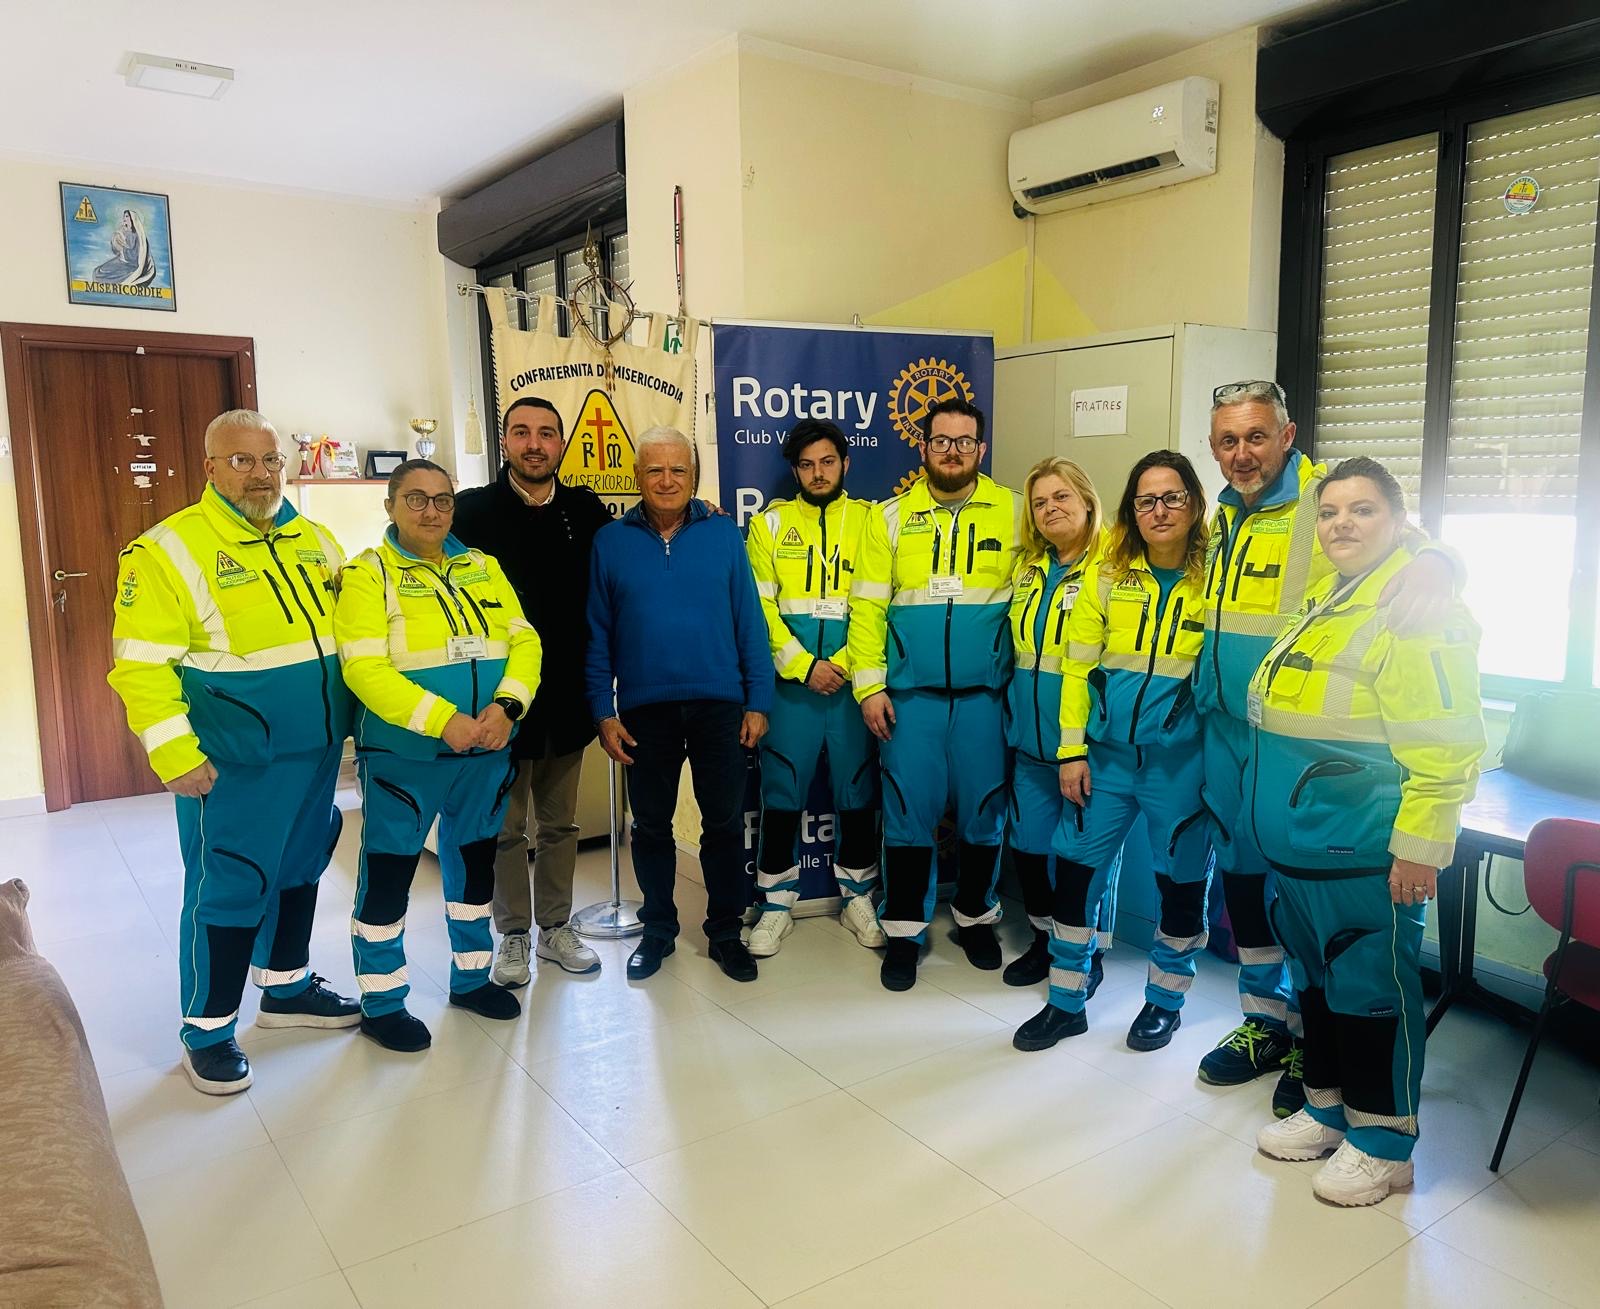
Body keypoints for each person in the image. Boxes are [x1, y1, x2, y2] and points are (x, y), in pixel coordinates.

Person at [1194, 380, 1458, 1117]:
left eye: (1255, 436)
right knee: (1246, 885)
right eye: (1226, 440)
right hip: (1228, 731)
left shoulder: (1323, 495)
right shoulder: (1225, 514)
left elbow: (1405, 531)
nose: (1241, 453)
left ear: (1287, 434)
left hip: (1298, 747)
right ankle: (1264, 1021)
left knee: (1303, 899)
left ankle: (1317, 1041)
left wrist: (1439, 563)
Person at [1247, 457, 1484, 1205]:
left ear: (1399, 519)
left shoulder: (1418, 606)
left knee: (1374, 993)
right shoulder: (1328, 593)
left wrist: (1421, 842)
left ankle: (1384, 1142)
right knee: (1317, 989)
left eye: (1363, 510)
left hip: (1362, 852)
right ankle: (1327, 1109)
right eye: (1330, 512)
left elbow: (1445, 740)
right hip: (1300, 850)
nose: (1342, 524)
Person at [108, 409, 359, 1095]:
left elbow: (350, 634)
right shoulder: (166, 551)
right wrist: (174, 754)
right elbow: (139, 667)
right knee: (230, 883)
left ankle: (285, 989)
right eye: (241, 460)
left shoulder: (313, 538)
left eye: (270, 459)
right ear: (210, 468)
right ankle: (209, 1030)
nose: (259, 474)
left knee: (303, 865)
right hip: (233, 760)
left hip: (315, 751)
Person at [334, 460, 542, 1051]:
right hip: (406, 757)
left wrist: (508, 708)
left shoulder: (482, 566)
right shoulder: (368, 575)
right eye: (417, 500)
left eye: (443, 500)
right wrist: (442, 721)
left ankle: (472, 979)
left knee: (474, 868)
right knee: (390, 877)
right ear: (392, 506)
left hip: (485, 750)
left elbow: (525, 641)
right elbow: (364, 668)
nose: (432, 512)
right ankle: (382, 1001)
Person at [1013, 452, 1213, 1052]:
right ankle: (1066, 1002)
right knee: (1074, 879)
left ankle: (1164, 1003)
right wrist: (1071, 749)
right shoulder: (1108, 571)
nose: (1159, 510)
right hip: (1104, 758)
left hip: (1181, 765)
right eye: (1146, 500)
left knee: (1181, 888)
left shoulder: (1220, 573)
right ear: (1130, 510)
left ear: (1195, 504)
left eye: (1172, 497)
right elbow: (1077, 668)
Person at [586, 427, 774, 982]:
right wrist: (603, 709)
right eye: (654, 471)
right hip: (646, 711)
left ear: (694, 477)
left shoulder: (722, 534)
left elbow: (750, 622)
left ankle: (724, 932)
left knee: (723, 825)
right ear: (637, 476)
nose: (667, 481)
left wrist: (757, 698)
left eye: (679, 471)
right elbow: (597, 635)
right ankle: (659, 930)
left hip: (720, 706)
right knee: (650, 827)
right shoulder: (610, 542)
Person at [849, 398, 1022, 991]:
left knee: (984, 817)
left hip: (984, 700)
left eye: (965, 441)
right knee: (907, 818)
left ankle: (975, 916)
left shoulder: (1016, 512)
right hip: (910, 701)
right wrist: (868, 685)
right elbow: (867, 607)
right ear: (922, 448)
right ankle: (903, 931)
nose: (953, 450)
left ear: (981, 448)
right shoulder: (889, 517)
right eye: (941, 440)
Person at [452, 396, 612, 984]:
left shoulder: (585, 510)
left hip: (567, 701)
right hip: (497, 706)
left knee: (561, 826)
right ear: (506, 442)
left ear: (561, 444)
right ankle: (512, 935)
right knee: (503, 830)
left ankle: (555, 928)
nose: (534, 444)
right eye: (522, 433)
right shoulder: (470, 514)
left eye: (546, 433)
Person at [745, 418, 883, 954]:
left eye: (827, 462)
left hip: (853, 685)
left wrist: (845, 664)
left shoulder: (872, 521)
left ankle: (858, 897)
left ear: (845, 464)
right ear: (794, 470)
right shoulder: (769, 525)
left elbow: (880, 601)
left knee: (857, 790)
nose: (817, 472)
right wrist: (804, 666)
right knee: (780, 794)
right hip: (792, 686)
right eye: (806, 464)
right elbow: (760, 609)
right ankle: (776, 905)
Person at [1001, 457, 1118, 993]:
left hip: (1086, 747)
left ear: (1088, 502)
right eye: (1040, 502)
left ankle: (1087, 952)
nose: (1050, 509)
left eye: (1062, 498)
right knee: (1027, 847)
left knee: (1084, 863)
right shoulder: (1029, 570)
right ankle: (1046, 941)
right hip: (1029, 743)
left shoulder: (1114, 569)